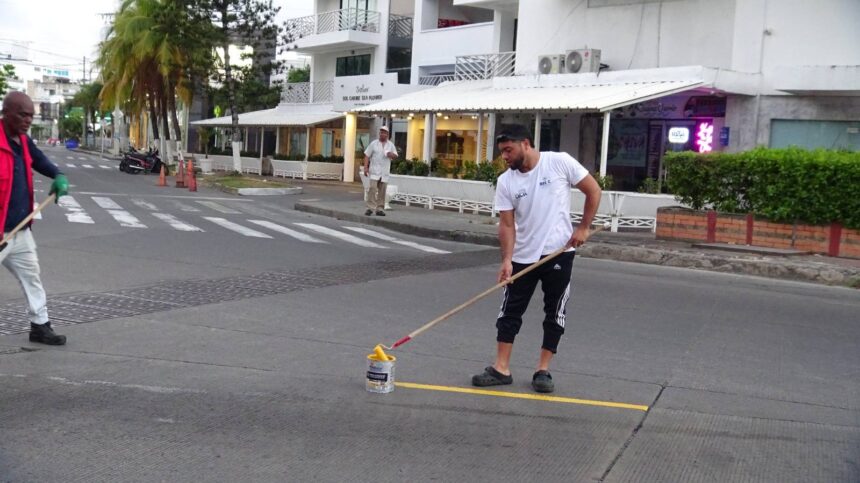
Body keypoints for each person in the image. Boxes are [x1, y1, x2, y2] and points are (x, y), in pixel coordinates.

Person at [472, 124, 601, 393]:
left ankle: (543, 370)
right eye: (502, 152)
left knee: (554, 312)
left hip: (559, 253)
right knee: (509, 312)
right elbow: (507, 225)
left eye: (508, 150)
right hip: (522, 257)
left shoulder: (559, 162)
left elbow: (593, 190)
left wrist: (584, 227)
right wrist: (507, 260)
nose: (504, 157)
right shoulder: (506, 181)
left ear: (526, 144)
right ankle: (501, 368)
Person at [1, 91, 69, 345]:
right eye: (22, 114)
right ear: (6, 113)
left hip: (20, 231)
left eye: (31, 115)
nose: (28, 120)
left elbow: (40, 161)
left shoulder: (23, 141)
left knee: (32, 277)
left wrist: (58, 175)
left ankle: (40, 326)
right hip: (0, 231)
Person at [362, 125, 398, 216]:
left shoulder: (390, 145)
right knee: (372, 189)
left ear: (387, 134)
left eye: (384, 133)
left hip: (384, 172)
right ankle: (370, 207)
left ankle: (380, 209)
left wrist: (391, 154)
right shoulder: (374, 143)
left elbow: (395, 156)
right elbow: (367, 155)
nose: (382, 134)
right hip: (374, 171)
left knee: (382, 191)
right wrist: (365, 167)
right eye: (381, 132)